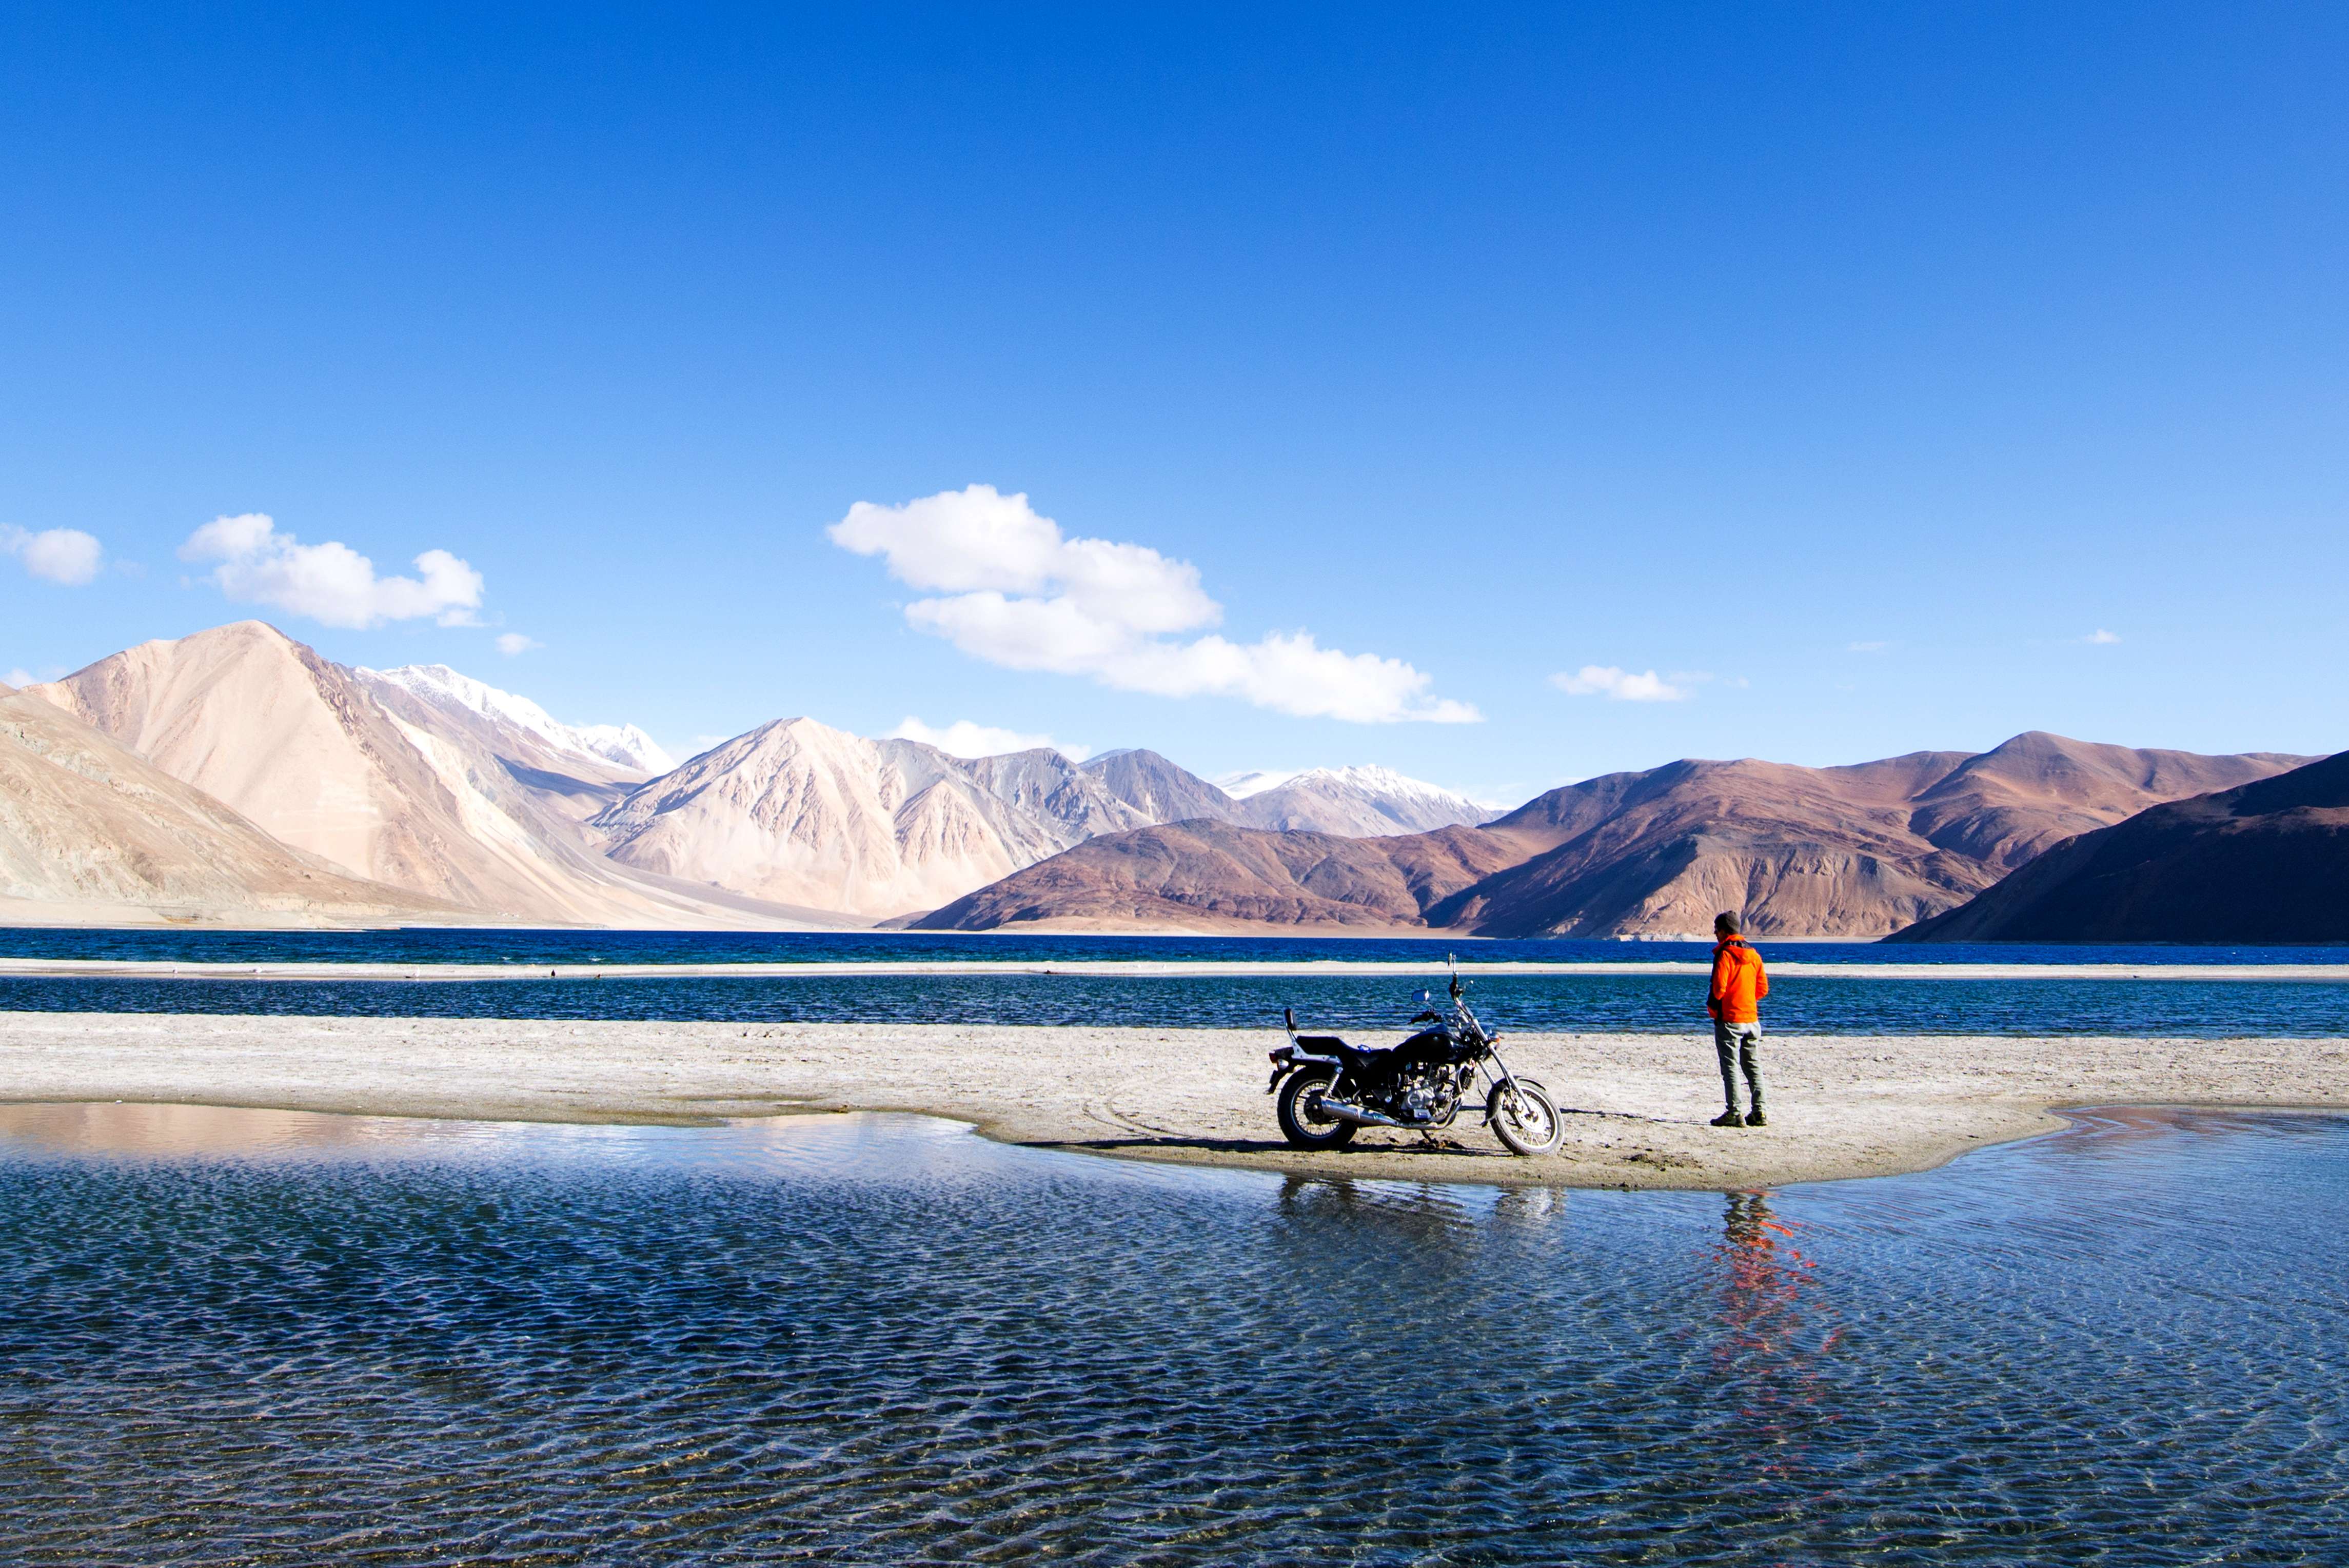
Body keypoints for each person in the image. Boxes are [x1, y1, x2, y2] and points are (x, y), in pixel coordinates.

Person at [1707, 911, 1769, 1128]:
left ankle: (1734, 1112)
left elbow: (1718, 988)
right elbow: (1762, 988)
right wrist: (1746, 1001)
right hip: (1752, 1020)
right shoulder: (1754, 955)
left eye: (1717, 928)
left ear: (1724, 930)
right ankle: (1759, 1112)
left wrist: (1716, 1009)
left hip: (1730, 1020)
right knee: (1753, 1066)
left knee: (1730, 1067)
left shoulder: (1724, 954)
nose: (1715, 933)